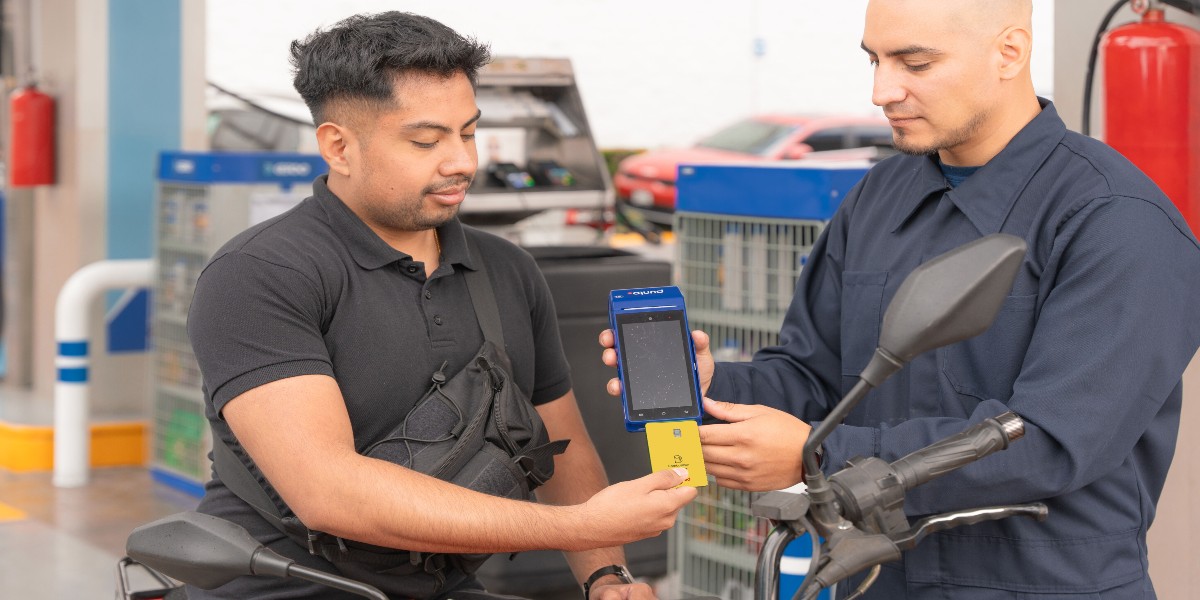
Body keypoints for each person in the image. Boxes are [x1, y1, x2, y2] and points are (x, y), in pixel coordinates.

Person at [601, 0, 1200, 597]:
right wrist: (709, 386)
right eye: (875, 60)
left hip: (1043, 585)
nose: (881, 92)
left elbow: (1051, 442)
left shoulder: (1116, 220)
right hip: (875, 578)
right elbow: (815, 377)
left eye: (916, 64)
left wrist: (817, 456)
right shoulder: (878, 198)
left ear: (1009, 53)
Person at [186, 12, 696, 600]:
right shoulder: (259, 274)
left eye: (469, 133)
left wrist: (606, 577)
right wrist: (579, 526)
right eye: (426, 141)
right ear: (338, 147)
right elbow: (329, 493)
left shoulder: (507, 270)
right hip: (281, 586)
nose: (462, 163)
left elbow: (565, 448)